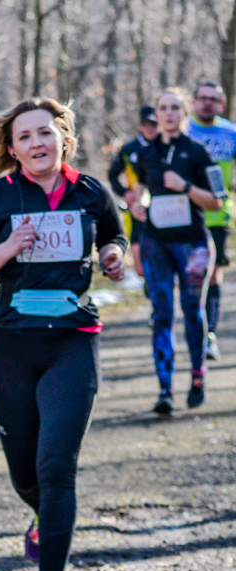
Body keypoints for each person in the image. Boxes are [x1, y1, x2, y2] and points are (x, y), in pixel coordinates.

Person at [0, 98, 127, 571]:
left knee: (56, 468)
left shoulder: (91, 191)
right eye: (25, 137)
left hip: (73, 339)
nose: (37, 143)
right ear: (13, 148)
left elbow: (115, 235)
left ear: (64, 139)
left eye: (46, 134)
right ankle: (39, 515)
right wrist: (4, 251)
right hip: (13, 344)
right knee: (25, 471)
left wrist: (115, 256)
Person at [130, 88, 223, 413]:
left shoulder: (198, 152)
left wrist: (184, 186)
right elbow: (139, 191)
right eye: (163, 108)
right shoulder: (145, 153)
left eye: (174, 108)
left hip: (193, 243)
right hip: (156, 243)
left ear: (183, 113)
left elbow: (217, 200)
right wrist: (137, 207)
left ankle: (198, 376)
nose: (168, 114)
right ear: (157, 113)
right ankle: (165, 390)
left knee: (191, 311)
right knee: (162, 315)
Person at [187, 81, 236, 360]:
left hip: (218, 216)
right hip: (184, 214)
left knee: (214, 274)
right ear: (194, 101)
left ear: (222, 103)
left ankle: (209, 336)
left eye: (213, 99)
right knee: (189, 275)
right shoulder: (183, 130)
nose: (207, 103)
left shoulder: (231, 133)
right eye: (203, 98)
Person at [108, 106, 159, 270]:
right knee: (140, 262)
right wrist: (125, 193)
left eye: (153, 124)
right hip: (137, 207)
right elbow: (112, 175)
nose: (150, 128)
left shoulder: (165, 146)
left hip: (162, 204)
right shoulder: (129, 149)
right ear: (140, 126)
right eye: (146, 124)